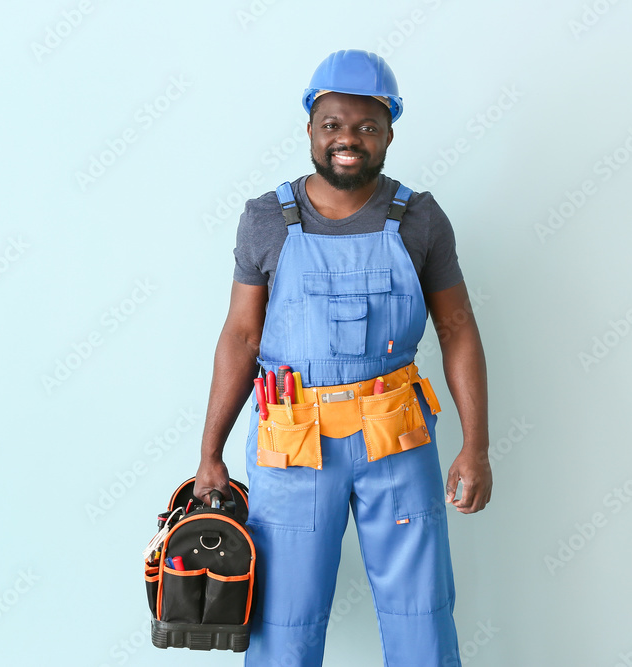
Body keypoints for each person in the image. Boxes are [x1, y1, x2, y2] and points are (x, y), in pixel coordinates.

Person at [193, 50, 492, 666]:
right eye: (332, 124)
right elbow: (242, 338)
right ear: (310, 127)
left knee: (421, 613)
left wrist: (476, 445)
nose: (347, 139)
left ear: (388, 133)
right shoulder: (266, 220)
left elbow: (458, 327)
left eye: (365, 126)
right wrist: (210, 454)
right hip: (292, 438)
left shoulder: (419, 219)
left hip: (396, 436)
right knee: (282, 618)